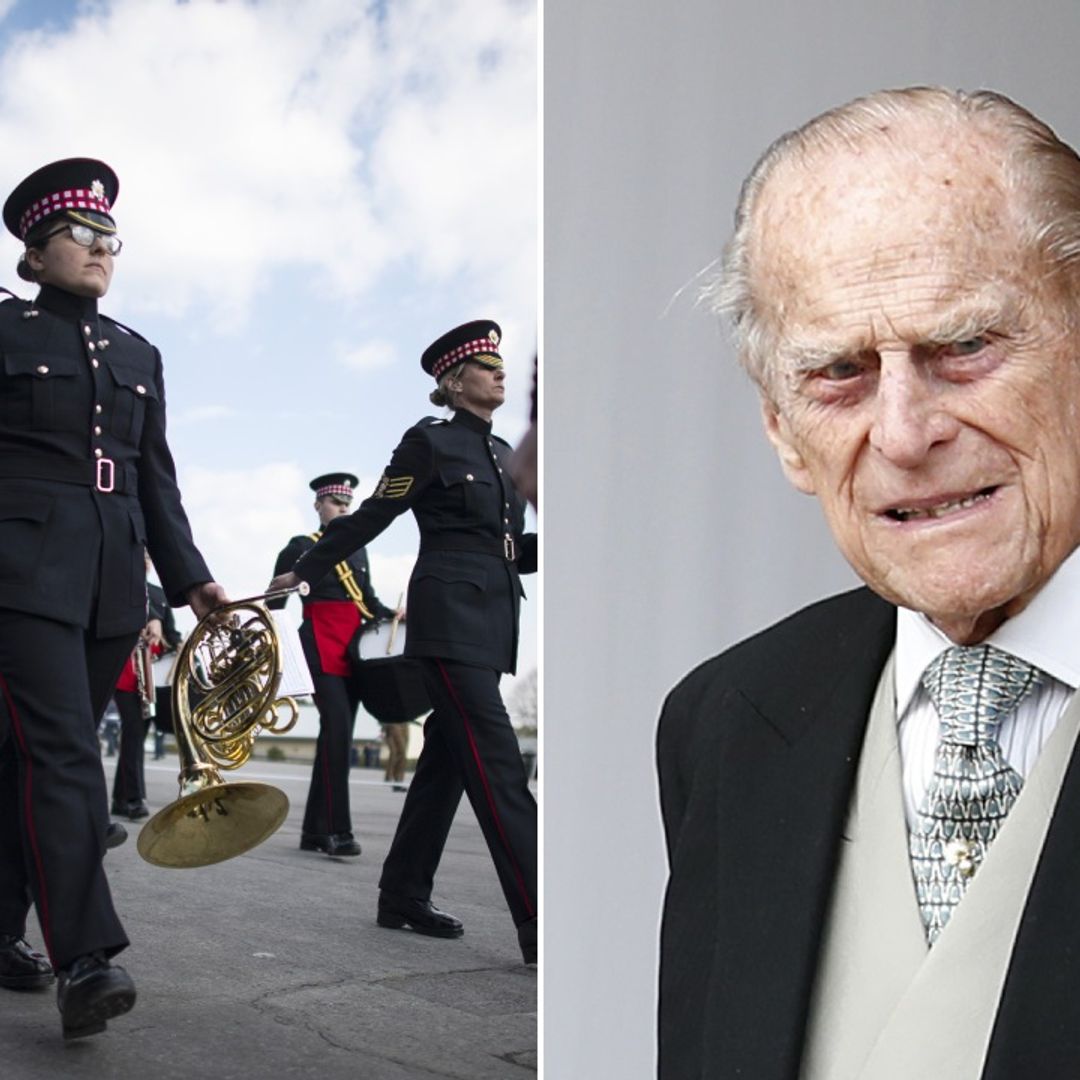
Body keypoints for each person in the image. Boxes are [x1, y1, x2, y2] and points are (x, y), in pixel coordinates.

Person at [657, 87, 1080, 1080]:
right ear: (781, 431)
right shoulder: (723, 720)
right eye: (839, 373)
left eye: (966, 346)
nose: (903, 433)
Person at [0, 159, 226, 1039]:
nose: (100, 249)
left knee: (25, 761)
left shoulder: (138, 352)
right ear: (34, 253)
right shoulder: (5, 328)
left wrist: (191, 577)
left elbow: (155, 479)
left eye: (110, 238)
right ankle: (86, 959)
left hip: (111, 580)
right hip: (19, 567)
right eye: (81, 234)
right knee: (65, 755)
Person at [269, 319, 538, 964]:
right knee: (499, 767)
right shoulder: (429, 442)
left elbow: (507, 548)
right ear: (455, 382)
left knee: (447, 761)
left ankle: (403, 894)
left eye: (503, 364)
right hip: (448, 622)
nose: (500, 372)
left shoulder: (505, 454)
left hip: (493, 624)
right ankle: (545, 919)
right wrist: (303, 569)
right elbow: (372, 516)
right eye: (487, 365)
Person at [268, 472, 400, 858]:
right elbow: (274, 607)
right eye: (335, 503)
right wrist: (280, 660)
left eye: (347, 504)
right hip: (318, 643)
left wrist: (394, 615)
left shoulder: (358, 549)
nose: (343, 509)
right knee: (338, 732)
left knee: (336, 738)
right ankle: (336, 831)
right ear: (318, 505)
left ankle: (314, 831)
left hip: (352, 649)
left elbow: (367, 601)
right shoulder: (299, 546)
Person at [110, 555, 182, 817]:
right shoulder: (117, 586)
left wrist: (178, 643)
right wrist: (149, 618)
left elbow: (171, 633)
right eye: (141, 554)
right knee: (134, 729)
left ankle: (121, 799)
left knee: (137, 734)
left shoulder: (159, 593)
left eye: (149, 556)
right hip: (124, 671)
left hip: (151, 676)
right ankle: (134, 797)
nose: (145, 560)